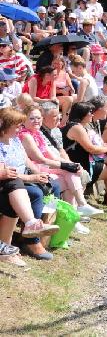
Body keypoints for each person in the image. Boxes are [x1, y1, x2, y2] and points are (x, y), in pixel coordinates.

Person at [0, 107, 61, 261]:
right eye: (17, 125)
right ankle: (31, 239)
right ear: (6, 126)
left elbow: (25, 159)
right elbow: (7, 174)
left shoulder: (15, 140)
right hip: (10, 182)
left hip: (19, 180)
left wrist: (38, 173)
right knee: (35, 193)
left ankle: (39, 230)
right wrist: (32, 178)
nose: (21, 128)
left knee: (54, 185)